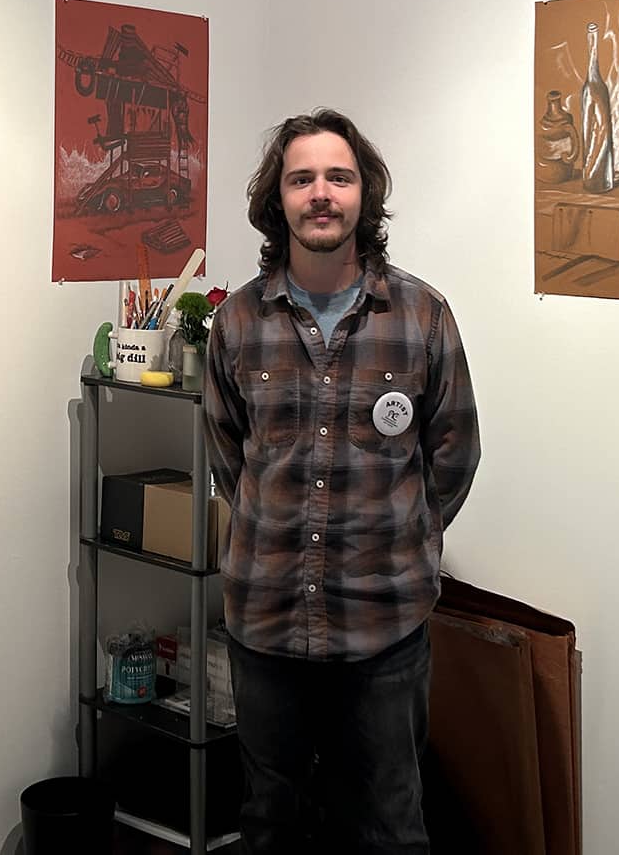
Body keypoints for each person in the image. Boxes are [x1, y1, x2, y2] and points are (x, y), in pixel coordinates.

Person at [203, 108, 481, 855]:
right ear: (278, 199)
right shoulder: (237, 322)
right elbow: (230, 458)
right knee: (270, 825)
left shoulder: (422, 317)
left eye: (339, 177)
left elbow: (453, 453)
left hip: (384, 626)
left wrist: (406, 540)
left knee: (390, 827)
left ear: (365, 194)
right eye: (302, 179)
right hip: (266, 622)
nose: (320, 193)